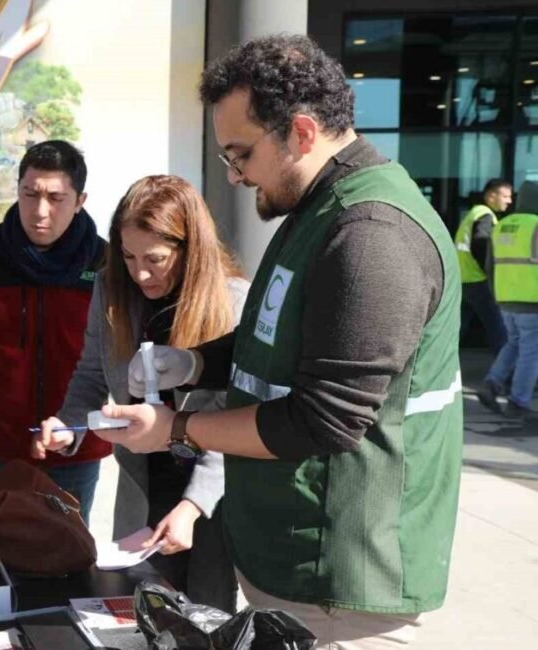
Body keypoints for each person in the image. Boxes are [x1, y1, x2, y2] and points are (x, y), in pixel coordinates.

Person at [92, 35, 462, 648]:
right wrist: (193, 364)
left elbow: (324, 420)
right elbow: (272, 342)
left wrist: (176, 430)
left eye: (241, 154)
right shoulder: (317, 212)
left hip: (341, 579)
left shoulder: (372, 236)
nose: (234, 175)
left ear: (303, 131)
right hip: (296, 560)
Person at [35, 175, 248, 611]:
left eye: (155, 258)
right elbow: (92, 372)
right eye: (128, 256)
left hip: (214, 500)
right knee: (135, 618)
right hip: (142, 491)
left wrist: (192, 507)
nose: (140, 273)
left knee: (208, 621)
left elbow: (238, 420)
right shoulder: (112, 288)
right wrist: (69, 423)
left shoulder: (234, 301)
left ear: (191, 250)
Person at [0, 140, 110, 523]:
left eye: (56, 198)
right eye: (29, 194)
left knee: (66, 562)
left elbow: (116, 348)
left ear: (80, 200)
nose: (40, 211)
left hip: (73, 448)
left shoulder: (104, 263)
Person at [476, 181, 538, 420]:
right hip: (532, 300)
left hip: (505, 298)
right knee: (531, 352)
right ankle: (519, 402)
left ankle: (491, 385)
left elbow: (490, 266)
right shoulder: (536, 226)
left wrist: (496, 293)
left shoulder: (501, 226)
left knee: (512, 344)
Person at [456, 178, 512, 351]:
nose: (509, 201)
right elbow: (480, 245)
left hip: (463, 279)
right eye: (505, 196)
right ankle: (506, 372)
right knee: (498, 329)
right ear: (490, 196)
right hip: (477, 279)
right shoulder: (484, 215)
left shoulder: (473, 213)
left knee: (457, 329)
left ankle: (435, 365)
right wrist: (490, 273)